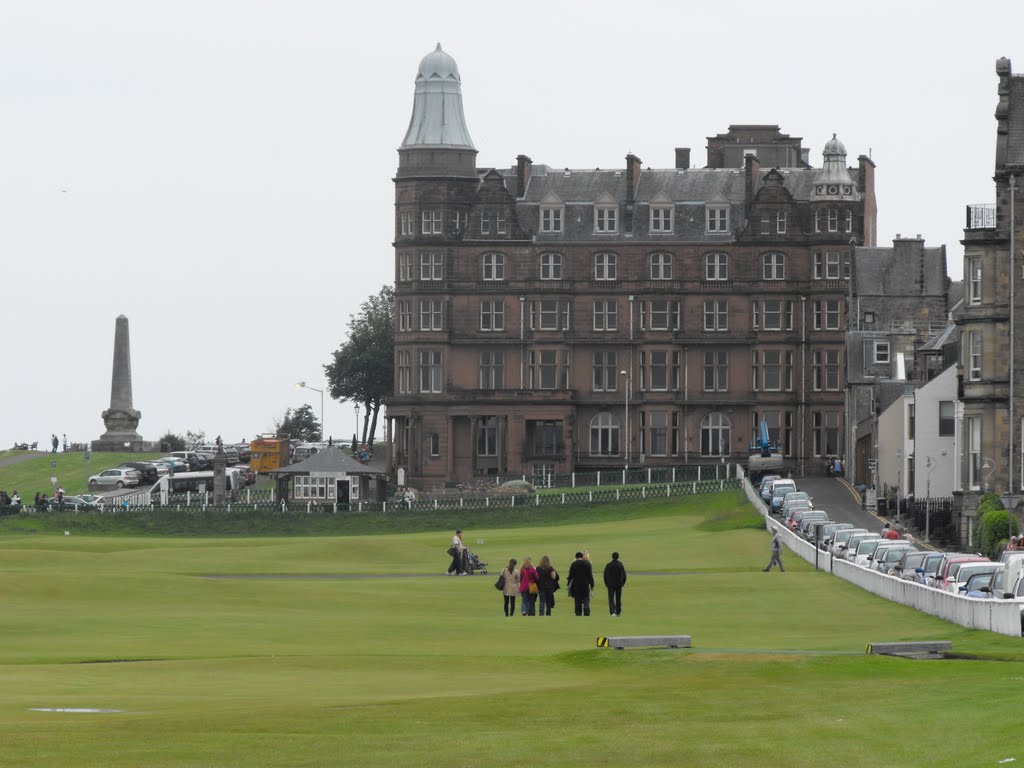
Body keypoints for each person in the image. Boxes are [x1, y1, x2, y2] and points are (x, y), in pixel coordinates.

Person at [567, 551, 595, 616]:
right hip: (585, 585)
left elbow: (570, 576)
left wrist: (568, 584)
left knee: (577, 601)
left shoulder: (573, 564)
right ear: (582, 557)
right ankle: (586, 609)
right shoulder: (587, 564)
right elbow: (590, 576)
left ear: (576, 557)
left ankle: (578, 613)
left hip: (576, 585)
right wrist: (592, 584)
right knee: (586, 598)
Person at [603, 552, 628, 617]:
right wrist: (622, 584)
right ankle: (618, 612)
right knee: (618, 599)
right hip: (618, 585)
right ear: (618, 557)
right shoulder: (620, 565)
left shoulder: (608, 565)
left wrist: (606, 584)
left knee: (611, 599)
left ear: (612, 557)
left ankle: (612, 612)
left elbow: (605, 575)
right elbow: (624, 576)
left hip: (610, 585)